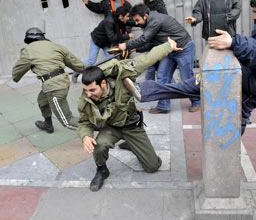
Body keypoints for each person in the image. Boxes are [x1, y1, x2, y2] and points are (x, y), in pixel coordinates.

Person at [124, 0, 256, 135]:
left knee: (232, 123)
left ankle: (225, 159)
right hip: (239, 77)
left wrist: (234, 42)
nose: (254, 17)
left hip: (251, 87)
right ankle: (144, 90)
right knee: (191, 84)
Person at [78, 38, 182, 192]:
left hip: (132, 126)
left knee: (153, 166)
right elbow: (84, 122)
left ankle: (131, 143)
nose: (89, 94)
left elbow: (148, 59)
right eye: (86, 90)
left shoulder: (123, 74)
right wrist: (85, 136)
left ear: (103, 84)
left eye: (92, 90)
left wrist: (169, 45)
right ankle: (102, 170)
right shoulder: (85, 99)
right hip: (111, 127)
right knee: (98, 146)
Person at [119, 4, 200, 113]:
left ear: (146, 15)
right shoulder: (150, 22)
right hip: (170, 49)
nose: (136, 24)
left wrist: (126, 45)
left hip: (183, 48)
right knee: (162, 77)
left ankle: (197, 102)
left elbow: (144, 39)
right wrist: (136, 49)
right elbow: (153, 43)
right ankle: (163, 105)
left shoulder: (155, 20)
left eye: (137, 20)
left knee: (187, 77)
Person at [12, 27, 87, 133]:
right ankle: (48, 124)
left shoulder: (28, 50)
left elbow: (18, 69)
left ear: (28, 40)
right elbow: (75, 63)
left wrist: (15, 77)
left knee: (67, 121)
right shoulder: (57, 46)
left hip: (53, 87)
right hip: (62, 81)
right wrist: (88, 69)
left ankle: (97, 127)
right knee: (42, 101)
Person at [72, 7, 134, 83]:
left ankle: (111, 76)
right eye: (127, 16)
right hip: (97, 40)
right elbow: (112, 38)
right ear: (121, 16)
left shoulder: (118, 20)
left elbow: (130, 23)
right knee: (91, 60)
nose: (128, 18)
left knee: (111, 59)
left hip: (106, 41)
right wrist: (127, 36)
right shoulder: (109, 21)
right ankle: (77, 71)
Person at [139, 0, 168, 81]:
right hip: (154, 42)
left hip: (159, 42)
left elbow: (163, 20)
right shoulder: (150, 3)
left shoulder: (157, 4)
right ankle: (149, 90)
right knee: (151, 67)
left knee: (161, 74)